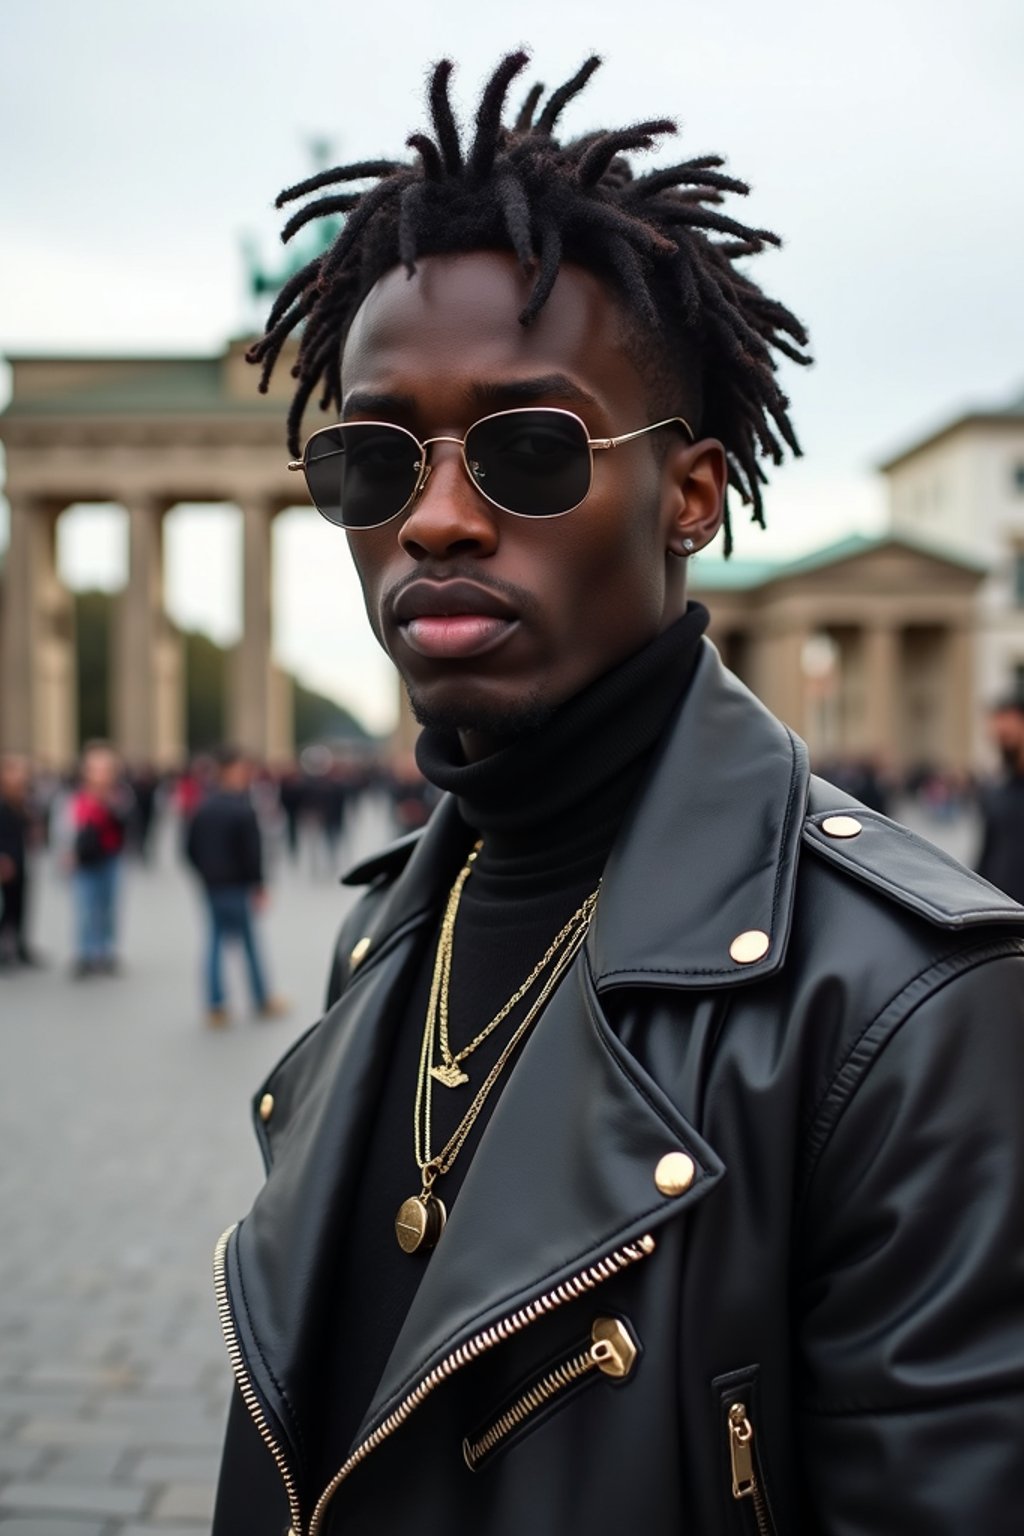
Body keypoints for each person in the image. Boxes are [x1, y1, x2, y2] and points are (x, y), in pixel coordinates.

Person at [213, 55, 1024, 1535]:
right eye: (370, 461)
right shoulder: (386, 932)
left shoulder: (908, 1009)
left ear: (694, 496)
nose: (437, 518)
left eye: (528, 449)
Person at [185, 746, 287, 1027]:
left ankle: (215, 1005)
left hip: (212, 885)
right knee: (250, 943)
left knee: (215, 942)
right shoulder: (242, 809)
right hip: (238, 884)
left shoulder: (202, 806)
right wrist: (259, 885)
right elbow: (252, 853)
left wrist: (204, 874)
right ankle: (261, 998)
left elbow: (189, 848)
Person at [68, 740, 130, 977]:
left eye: (105, 767)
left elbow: (128, 825)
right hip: (84, 859)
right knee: (85, 907)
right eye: (95, 767)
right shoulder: (76, 796)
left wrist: (111, 805)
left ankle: (105, 951)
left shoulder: (120, 795)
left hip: (111, 857)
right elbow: (66, 828)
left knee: (108, 907)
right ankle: (85, 952)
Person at [976, 694, 1024, 901]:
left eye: (1007, 735)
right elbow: (988, 860)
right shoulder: (997, 794)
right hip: (1003, 913)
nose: (998, 738)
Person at [0, 753, 41, 968]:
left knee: (21, 906)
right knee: (5, 909)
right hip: (5, 862)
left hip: (20, 859)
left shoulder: (23, 801)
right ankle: (5, 951)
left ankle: (20, 946)